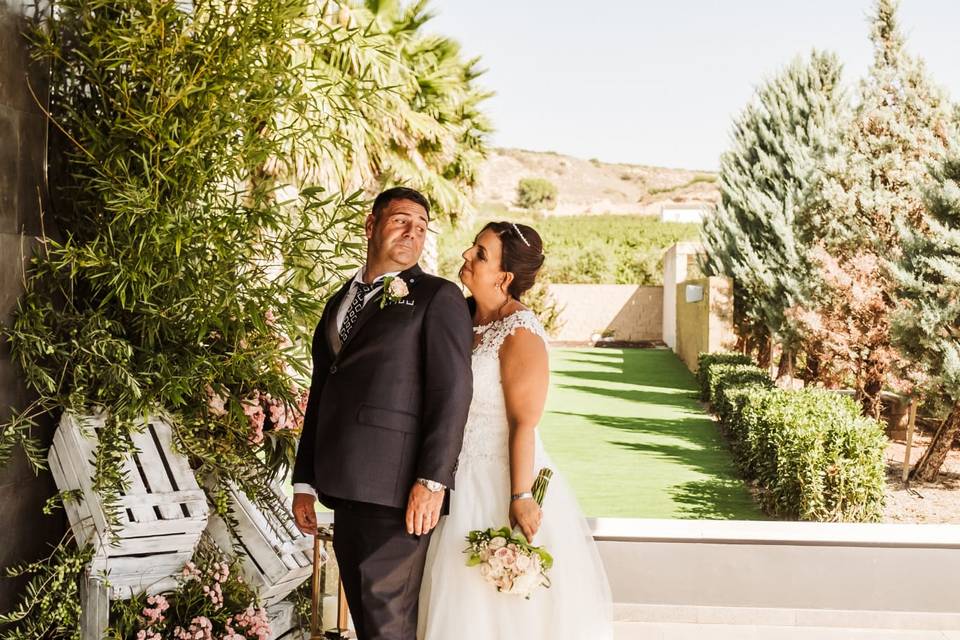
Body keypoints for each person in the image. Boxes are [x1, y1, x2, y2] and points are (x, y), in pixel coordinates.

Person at [291, 186, 473, 640]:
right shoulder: (340, 300)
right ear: (371, 225)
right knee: (368, 622)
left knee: (387, 626)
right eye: (400, 222)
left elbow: (452, 394)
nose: (412, 233)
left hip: (398, 494)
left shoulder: (437, 297)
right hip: (343, 488)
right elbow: (322, 390)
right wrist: (304, 481)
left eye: (421, 227)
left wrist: (433, 482)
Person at [417, 221, 613, 640]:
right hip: (447, 477)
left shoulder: (520, 332)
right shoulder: (458, 315)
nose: (467, 256)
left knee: (498, 605)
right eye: (473, 248)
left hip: (498, 480)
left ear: (504, 277)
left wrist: (520, 496)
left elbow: (524, 422)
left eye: (480, 254)